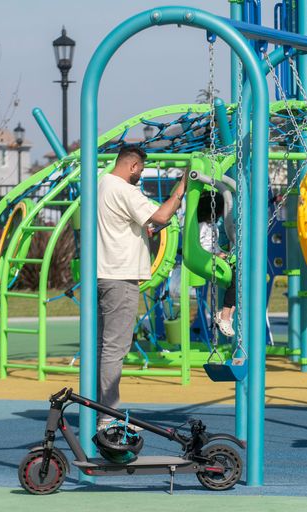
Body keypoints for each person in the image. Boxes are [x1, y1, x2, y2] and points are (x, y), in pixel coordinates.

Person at [96, 145, 187, 430]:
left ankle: (98, 409)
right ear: (133, 166)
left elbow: (140, 224)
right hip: (120, 276)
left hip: (102, 273)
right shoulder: (124, 189)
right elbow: (160, 217)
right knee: (115, 349)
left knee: (102, 347)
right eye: (142, 170)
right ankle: (107, 417)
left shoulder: (101, 181)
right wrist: (180, 190)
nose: (141, 175)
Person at [196, 191, 236, 337]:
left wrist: (221, 252)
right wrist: (216, 255)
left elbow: (214, 245)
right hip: (205, 260)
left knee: (240, 278)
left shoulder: (210, 225)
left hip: (214, 258)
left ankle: (227, 315)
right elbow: (199, 247)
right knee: (236, 278)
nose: (220, 216)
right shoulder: (201, 226)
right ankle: (224, 315)